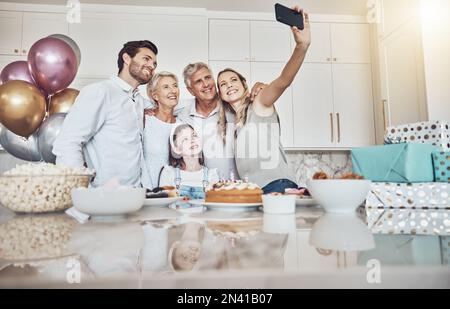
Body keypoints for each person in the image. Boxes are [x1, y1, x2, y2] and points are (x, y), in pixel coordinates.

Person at [216, 7, 311, 194]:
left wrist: (302, 46)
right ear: (220, 94)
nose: (229, 85)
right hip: (255, 191)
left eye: (233, 80)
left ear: (244, 85)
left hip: (277, 184)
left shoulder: (259, 104)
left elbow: (283, 81)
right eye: (223, 84)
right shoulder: (234, 123)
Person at [53, 40, 158, 187]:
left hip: (136, 195)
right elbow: (68, 142)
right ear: (126, 58)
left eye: (154, 64)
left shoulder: (140, 101)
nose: (152, 66)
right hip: (103, 197)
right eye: (146, 59)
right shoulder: (100, 91)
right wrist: (82, 189)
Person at [175, 62, 266, 180]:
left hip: (239, 186)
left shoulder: (233, 105)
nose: (206, 84)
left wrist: (261, 88)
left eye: (208, 78)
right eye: (198, 81)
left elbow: (255, 100)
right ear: (191, 90)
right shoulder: (183, 116)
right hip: (206, 188)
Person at [159, 123, 219, 203]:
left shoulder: (211, 175)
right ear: (177, 149)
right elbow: (164, 206)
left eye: (194, 135)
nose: (192, 140)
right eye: (185, 139)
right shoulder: (169, 173)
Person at [142, 71, 180, 189]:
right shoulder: (145, 121)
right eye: (166, 87)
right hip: (144, 192)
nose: (173, 90)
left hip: (172, 195)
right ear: (155, 95)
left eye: (175, 85)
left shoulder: (181, 127)